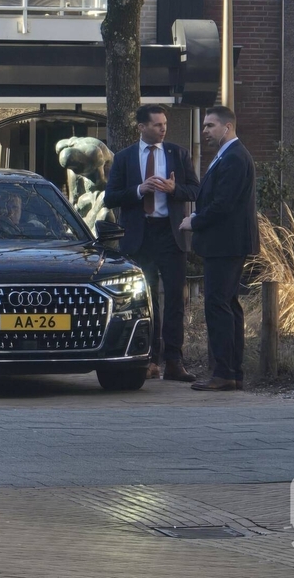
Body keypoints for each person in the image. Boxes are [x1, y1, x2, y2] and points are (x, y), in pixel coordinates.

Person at [104, 105, 200, 382]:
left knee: (174, 298)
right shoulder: (124, 158)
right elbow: (110, 198)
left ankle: (174, 361)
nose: (163, 129)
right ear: (141, 127)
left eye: (165, 124)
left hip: (170, 234)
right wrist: (138, 190)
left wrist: (174, 190)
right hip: (139, 235)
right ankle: (148, 359)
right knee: (144, 299)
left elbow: (196, 189)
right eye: (157, 124)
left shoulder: (177, 154)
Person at [180, 105, 260, 391]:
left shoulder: (235, 157)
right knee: (228, 305)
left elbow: (223, 204)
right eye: (203, 126)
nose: (205, 131)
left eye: (210, 126)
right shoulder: (227, 156)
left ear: (227, 127)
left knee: (218, 304)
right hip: (226, 243)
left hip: (225, 244)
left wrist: (195, 221)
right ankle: (232, 372)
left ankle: (224, 372)